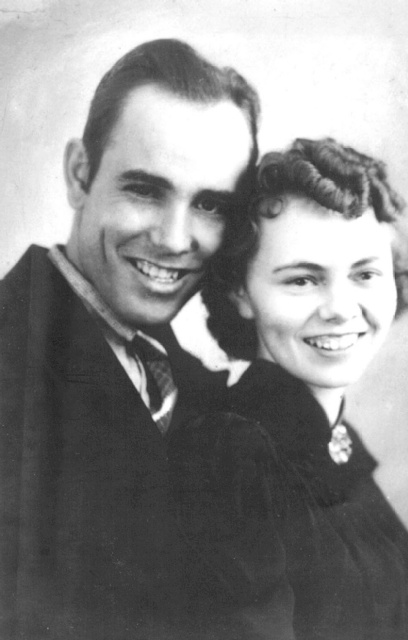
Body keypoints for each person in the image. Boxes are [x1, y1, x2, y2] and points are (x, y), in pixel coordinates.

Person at [0, 38, 260, 639]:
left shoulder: (195, 383)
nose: (174, 239)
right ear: (79, 174)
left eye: (211, 206)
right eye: (145, 190)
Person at [170, 138, 408, 639]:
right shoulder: (233, 456)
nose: (341, 307)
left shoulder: (335, 442)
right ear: (239, 292)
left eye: (365, 273)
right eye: (302, 280)